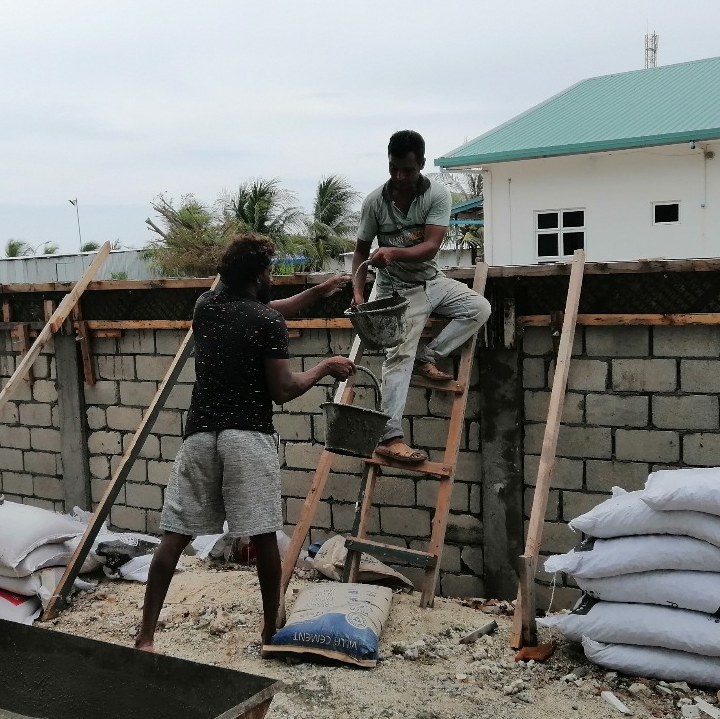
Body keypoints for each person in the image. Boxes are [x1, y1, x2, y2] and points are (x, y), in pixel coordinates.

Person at [135, 234, 355, 652]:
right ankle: (270, 630)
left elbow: (259, 307)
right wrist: (325, 367)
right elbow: (284, 389)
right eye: (269, 270)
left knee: (174, 536)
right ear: (257, 276)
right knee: (263, 536)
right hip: (247, 439)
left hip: (200, 436)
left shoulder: (206, 307)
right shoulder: (266, 323)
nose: (272, 277)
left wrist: (317, 292)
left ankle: (145, 636)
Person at [352, 129, 491, 464]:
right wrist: (358, 295)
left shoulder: (437, 196)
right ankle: (391, 437)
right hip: (394, 293)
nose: (400, 177)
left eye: (408, 170)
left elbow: (431, 247)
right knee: (396, 360)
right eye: (394, 169)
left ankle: (428, 355)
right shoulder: (375, 202)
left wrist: (394, 252)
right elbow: (359, 253)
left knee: (478, 308)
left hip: (431, 281)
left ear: (421, 165)